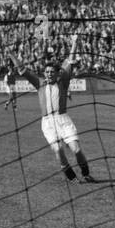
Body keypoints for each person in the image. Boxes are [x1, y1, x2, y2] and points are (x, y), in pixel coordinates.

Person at [12, 35, 96, 183]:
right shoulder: (39, 83)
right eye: (47, 71)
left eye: (52, 72)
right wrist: (11, 54)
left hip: (63, 119)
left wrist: (75, 42)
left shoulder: (63, 81)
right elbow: (22, 69)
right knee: (58, 150)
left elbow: (70, 60)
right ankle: (72, 177)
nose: (49, 74)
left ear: (57, 73)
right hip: (48, 123)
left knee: (76, 149)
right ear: (44, 73)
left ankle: (86, 174)